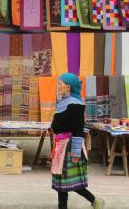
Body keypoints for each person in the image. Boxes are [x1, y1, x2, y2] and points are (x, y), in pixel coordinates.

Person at [51, 73, 104, 209]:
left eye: (60, 84)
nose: (58, 86)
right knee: (61, 183)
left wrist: (75, 153)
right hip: (61, 146)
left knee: (71, 182)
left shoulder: (76, 105)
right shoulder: (62, 102)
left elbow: (78, 129)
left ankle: (95, 200)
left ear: (68, 87)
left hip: (69, 147)